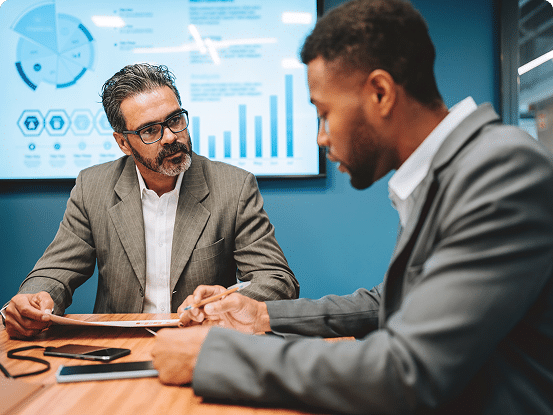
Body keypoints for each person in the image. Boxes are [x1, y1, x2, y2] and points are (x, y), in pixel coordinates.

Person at [150, 0, 553, 414]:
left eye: (325, 114)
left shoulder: (499, 170)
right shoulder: (450, 170)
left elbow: (407, 371)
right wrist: (261, 314)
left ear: (380, 93)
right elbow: (387, 303)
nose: (322, 138)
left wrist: (213, 356)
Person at [2, 63, 299, 339]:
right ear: (122, 142)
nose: (170, 137)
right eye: (150, 130)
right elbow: (56, 271)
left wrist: (227, 304)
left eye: (175, 120)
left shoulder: (233, 186)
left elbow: (276, 279)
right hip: (117, 345)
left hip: (200, 341)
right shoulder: (93, 186)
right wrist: (36, 299)